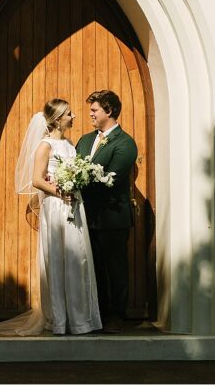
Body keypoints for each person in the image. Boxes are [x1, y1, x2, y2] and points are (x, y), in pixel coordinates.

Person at [0, 99, 102, 335]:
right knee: (59, 258)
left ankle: (80, 319)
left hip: (74, 205)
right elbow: (37, 180)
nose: (73, 117)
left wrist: (77, 183)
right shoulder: (45, 146)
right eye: (69, 114)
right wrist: (61, 191)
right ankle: (59, 320)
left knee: (78, 258)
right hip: (56, 206)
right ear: (58, 120)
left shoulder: (69, 144)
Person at [76, 90, 138, 334]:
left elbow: (111, 179)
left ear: (109, 111)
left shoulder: (125, 143)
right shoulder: (84, 140)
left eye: (95, 110)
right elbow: (75, 165)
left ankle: (118, 315)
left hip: (112, 218)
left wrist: (77, 182)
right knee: (95, 269)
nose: (90, 114)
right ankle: (98, 315)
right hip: (86, 217)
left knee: (116, 268)